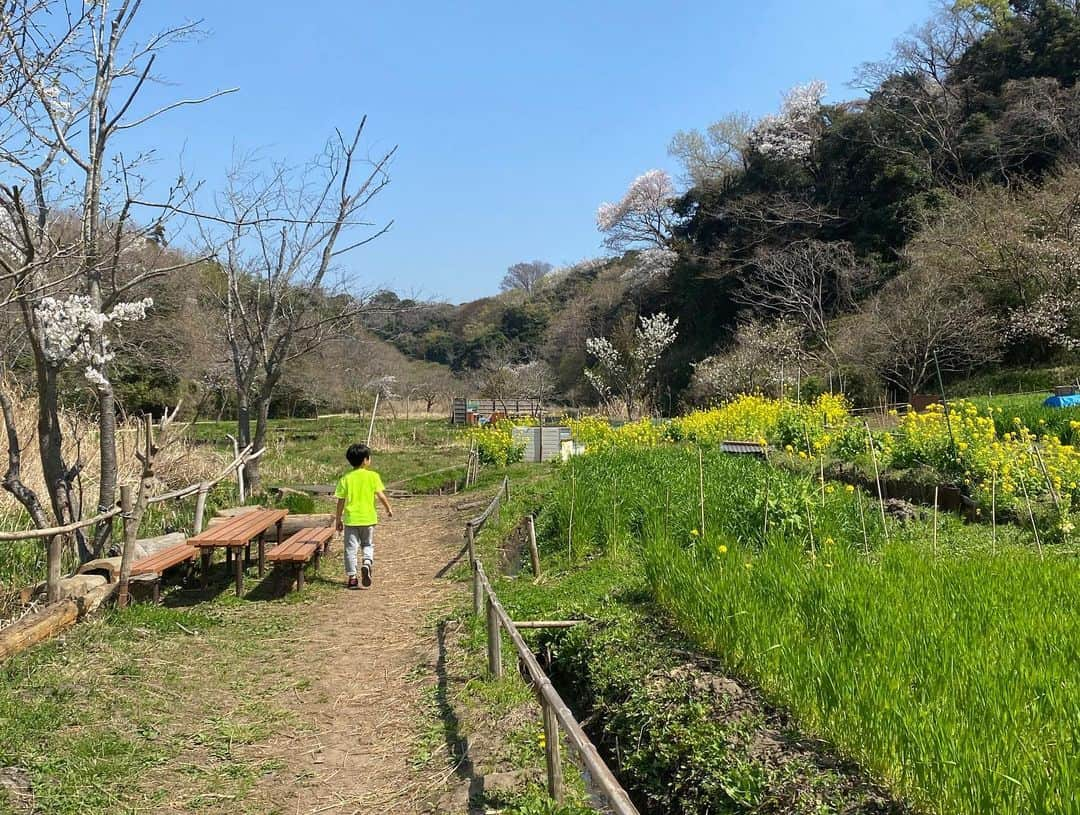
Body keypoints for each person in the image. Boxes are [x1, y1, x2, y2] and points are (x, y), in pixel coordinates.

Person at [334, 443, 393, 589]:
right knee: (367, 544)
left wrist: (338, 519)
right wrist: (388, 508)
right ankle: (367, 562)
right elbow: (381, 495)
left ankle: (352, 577)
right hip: (368, 519)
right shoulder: (373, 476)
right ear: (366, 460)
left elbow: (340, 502)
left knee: (350, 548)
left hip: (351, 520)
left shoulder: (345, 479)